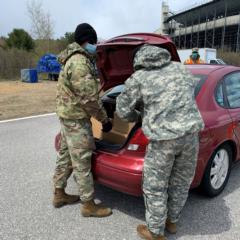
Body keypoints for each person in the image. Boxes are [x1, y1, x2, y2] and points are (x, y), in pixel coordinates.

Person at [116, 44, 204, 240]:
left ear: (139, 61)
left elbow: (122, 111)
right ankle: (172, 222)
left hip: (164, 140)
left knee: (155, 186)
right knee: (181, 182)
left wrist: (139, 115)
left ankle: (155, 232)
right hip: (191, 136)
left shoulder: (139, 78)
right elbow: (190, 92)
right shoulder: (181, 68)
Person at [53, 23, 113, 218]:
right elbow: (89, 99)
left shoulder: (72, 58)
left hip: (68, 116)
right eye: (94, 42)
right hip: (76, 120)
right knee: (82, 161)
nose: (95, 46)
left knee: (66, 156)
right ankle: (88, 205)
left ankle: (59, 193)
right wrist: (104, 120)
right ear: (87, 41)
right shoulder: (79, 62)